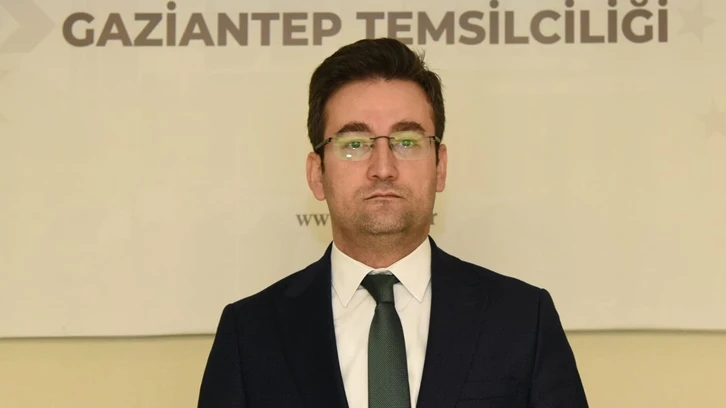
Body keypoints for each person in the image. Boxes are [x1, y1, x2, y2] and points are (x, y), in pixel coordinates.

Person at [197, 38, 588, 408]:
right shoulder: (249, 333)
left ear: (440, 167)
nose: (383, 168)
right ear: (317, 174)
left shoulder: (523, 320)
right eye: (354, 144)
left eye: (406, 142)